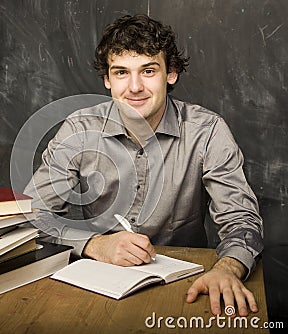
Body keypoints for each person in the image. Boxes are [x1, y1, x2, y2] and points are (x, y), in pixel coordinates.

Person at [24, 14, 263, 317]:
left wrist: (228, 269)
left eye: (148, 70)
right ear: (107, 80)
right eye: (121, 72)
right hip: (93, 284)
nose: (134, 87)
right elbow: (32, 214)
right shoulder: (79, 129)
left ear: (171, 73)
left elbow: (243, 220)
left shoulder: (208, 131)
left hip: (183, 289)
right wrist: (95, 245)